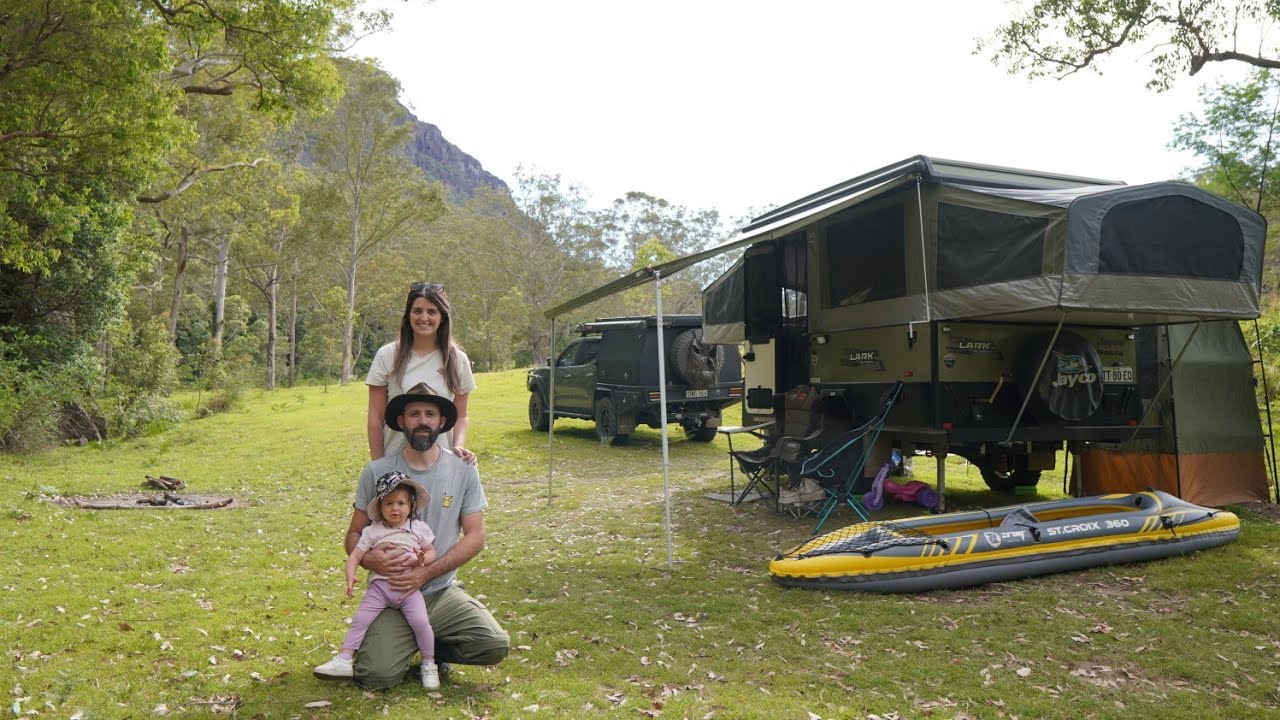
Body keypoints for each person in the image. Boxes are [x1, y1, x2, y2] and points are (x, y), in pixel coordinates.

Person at [331, 382, 509, 689]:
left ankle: (432, 647)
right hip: (391, 594)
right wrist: (369, 559)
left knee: (493, 644)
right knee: (376, 676)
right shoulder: (376, 471)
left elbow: (476, 535)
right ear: (401, 422)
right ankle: (402, 642)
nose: (422, 420)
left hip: (440, 590)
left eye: (430, 413)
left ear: (442, 422)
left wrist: (427, 572)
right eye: (414, 414)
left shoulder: (463, 469)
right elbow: (353, 535)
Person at [313, 471, 441, 689]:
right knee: (361, 619)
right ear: (380, 507)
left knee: (421, 623)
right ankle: (344, 659)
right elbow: (355, 555)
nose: (395, 508)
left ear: (410, 505)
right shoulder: (373, 532)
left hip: (408, 589)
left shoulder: (418, 528)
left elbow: (432, 552)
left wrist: (422, 559)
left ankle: (429, 665)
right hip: (380, 588)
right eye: (389, 503)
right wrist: (350, 576)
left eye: (401, 503)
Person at [367, 282, 477, 463]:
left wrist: (457, 445)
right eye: (417, 311)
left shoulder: (457, 359)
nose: (424, 317)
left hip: (442, 463)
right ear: (408, 315)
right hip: (395, 462)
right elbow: (375, 418)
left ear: (442, 317)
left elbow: (461, 415)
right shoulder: (386, 356)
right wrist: (378, 465)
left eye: (432, 311)